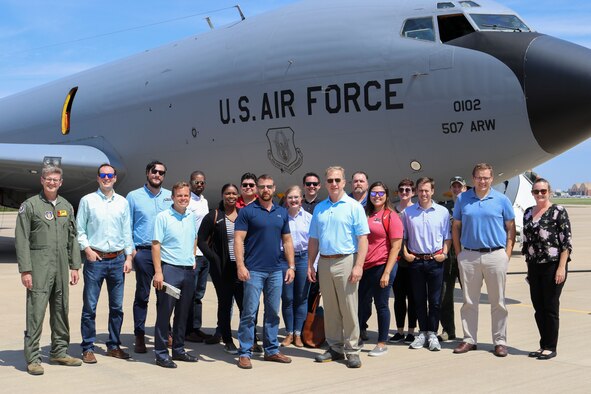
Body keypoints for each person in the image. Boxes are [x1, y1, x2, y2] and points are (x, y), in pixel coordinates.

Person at [15, 166, 83, 375]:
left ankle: (59, 351)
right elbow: (22, 239)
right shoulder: (30, 206)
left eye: (56, 180)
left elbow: (73, 237)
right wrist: (26, 270)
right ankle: (33, 357)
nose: (52, 183)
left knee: (61, 309)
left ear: (61, 183)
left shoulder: (66, 206)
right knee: (36, 311)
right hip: (39, 265)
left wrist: (74, 266)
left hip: (62, 265)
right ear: (42, 181)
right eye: (48, 179)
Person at [308, 166, 369, 369]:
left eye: (337, 180)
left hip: (346, 260)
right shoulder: (320, 208)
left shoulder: (354, 207)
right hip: (324, 262)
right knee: (332, 309)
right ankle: (335, 347)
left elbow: (362, 239)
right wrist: (311, 264)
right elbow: (314, 239)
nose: (334, 184)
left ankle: (352, 350)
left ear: (344, 182)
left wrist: (358, 265)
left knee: (349, 308)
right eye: (330, 180)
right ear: (325, 183)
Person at [452, 163, 515, 357]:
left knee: (498, 302)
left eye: (486, 177)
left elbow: (510, 228)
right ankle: (469, 339)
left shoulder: (501, 200)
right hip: (469, 255)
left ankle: (500, 341)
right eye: (479, 177)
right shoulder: (463, 199)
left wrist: (507, 254)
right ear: (473, 179)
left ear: (492, 179)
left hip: (495, 255)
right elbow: (456, 227)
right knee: (469, 301)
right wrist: (459, 253)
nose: (482, 181)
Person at [235, 174, 295, 369]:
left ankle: (271, 350)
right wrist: (240, 266)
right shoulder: (247, 212)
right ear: (257, 189)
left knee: (272, 312)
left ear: (274, 187)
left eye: (269, 186)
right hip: (254, 270)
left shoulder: (281, 212)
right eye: (262, 187)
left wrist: (291, 266)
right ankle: (244, 352)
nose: (265, 190)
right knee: (249, 313)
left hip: (276, 270)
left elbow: (287, 241)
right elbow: (238, 240)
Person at [77, 163, 133, 364]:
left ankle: (114, 345)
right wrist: (87, 250)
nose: (107, 178)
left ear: (115, 178)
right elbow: (80, 230)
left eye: (110, 175)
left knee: (116, 307)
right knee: (90, 307)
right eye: (103, 175)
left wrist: (128, 257)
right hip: (96, 260)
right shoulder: (88, 201)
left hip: (118, 260)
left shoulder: (122, 202)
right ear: (98, 178)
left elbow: (127, 232)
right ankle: (88, 347)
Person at [522, 178, 571, 360]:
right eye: (536, 191)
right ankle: (543, 345)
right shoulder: (528, 213)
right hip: (534, 266)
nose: (540, 194)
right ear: (532, 193)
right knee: (538, 307)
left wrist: (561, 268)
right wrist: (528, 270)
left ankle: (551, 346)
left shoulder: (558, 211)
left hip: (553, 265)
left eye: (543, 191)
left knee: (550, 307)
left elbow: (566, 243)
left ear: (549, 192)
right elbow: (526, 244)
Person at [126, 160, 172, 353]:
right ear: (147, 173)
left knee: (165, 296)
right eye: (154, 171)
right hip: (143, 252)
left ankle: (164, 332)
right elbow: (127, 225)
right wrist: (133, 252)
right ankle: (139, 335)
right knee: (142, 296)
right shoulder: (133, 196)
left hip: (165, 253)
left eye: (161, 172)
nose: (157, 175)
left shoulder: (170, 196)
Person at [401, 177, 451, 351]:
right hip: (416, 262)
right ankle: (422, 332)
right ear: (416, 191)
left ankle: (432, 334)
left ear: (432, 191)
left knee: (435, 301)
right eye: (421, 190)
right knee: (418, 300)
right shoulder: (408, 213)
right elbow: (404, 237)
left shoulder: (443, 212)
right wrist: (406, 253)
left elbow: (447, 237)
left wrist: (444, 254)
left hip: (435, 261)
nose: (424, 193)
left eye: (427, 190)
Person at [152, 182, 199, 368]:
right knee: (165, 313)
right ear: (172, 197)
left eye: (186, 195)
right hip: (170, 271)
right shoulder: (163, 217)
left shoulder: (191, 216)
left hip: (188, 271)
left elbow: (194, 237)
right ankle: (161, 353)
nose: (183, 198)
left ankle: (178, 350)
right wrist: (158, 272)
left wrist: (193, 256)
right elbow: (156, 245)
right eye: (179, 195)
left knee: (183, 314)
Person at [358, 182, 402, 357]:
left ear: (386, 195)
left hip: (382, 265)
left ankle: (382, 342)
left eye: (381, 193)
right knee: (361, 303)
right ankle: (359, 335)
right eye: (374, 193)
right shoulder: (365, 214)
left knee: (381, 305)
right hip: (365, 266)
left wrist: (386, 272)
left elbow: (396, 247)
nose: (377, 196)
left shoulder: (391, 216)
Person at [198, 183, 243, 354]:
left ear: (237, 195)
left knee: (244, 305)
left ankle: (248, 339)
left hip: (239, 267)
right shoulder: (214, 216)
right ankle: (228, 340)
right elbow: (201, 240)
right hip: (221, 269)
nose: (231, 196)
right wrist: (214, 258)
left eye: (233, 193)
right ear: (223, 195)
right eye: (227, 193)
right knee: (225, 304)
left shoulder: (242, 216)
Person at [280, 186, 312, 348]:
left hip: (303, 258)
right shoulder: (281, 217)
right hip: (285, 260)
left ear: (302, 199)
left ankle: (298, 333)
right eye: (290, 197)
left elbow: (315, 242)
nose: (293, 200)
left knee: (301, 297)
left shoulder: (308, 218)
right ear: (286, 200)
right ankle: (289, 333)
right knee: (287, 298)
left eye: (296, 197)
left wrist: (312, 265)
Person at [185, 170, 214, 343]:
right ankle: (187, 330)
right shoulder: (187, 201)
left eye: (202, 182)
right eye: (196, 182)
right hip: (192, 254)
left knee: (199, 294)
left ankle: (196, 328)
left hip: (204, 254)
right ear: (190, 183)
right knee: (189, 293)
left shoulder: (204, 201)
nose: (200, 185)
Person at [389, 178, 418, 344]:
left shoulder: (416, 210)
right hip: (397, 260)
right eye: (402, 190)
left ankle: (411, 331)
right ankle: (399, 330)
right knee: (399, 297)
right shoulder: (393, 211)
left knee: (413, 297)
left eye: (408, 190)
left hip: (413, 259)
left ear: (412, 192)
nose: (404, 193)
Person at [439, 176, 467, 341]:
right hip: (449, 256)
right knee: (445, 295)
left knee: (469, 296)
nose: (456, 190)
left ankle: (469, 332)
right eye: (454, 187)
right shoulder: (445, 209)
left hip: (467, 255)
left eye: (459, 187)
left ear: (465, 188)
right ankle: (448, 330)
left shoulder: (470, 207)